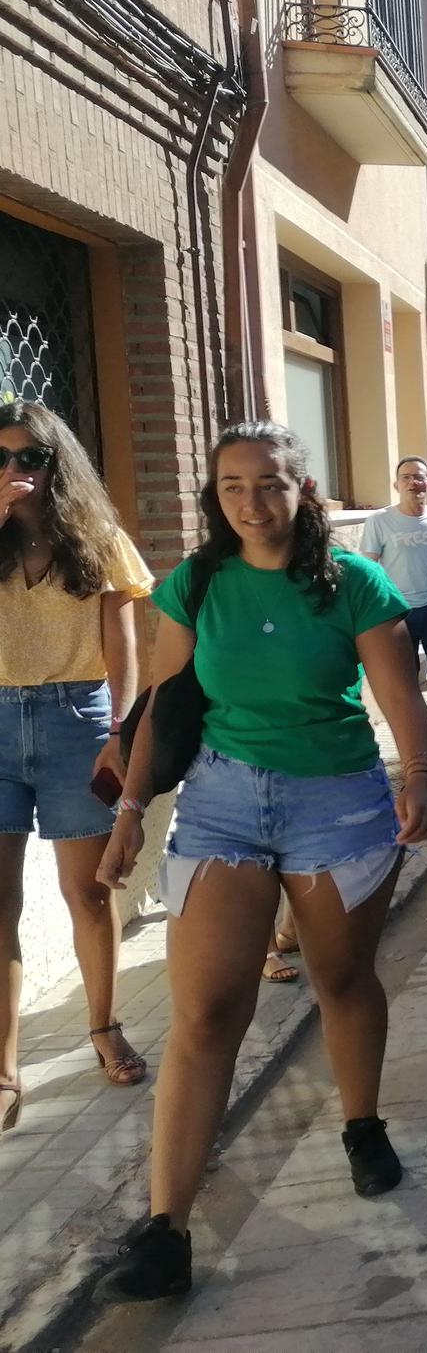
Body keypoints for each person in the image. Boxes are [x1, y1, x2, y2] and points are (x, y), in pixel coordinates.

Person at [95, 421, 427, 1300]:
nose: (252, 502)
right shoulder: (196, 583)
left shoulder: (353, 583)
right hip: (221, 802)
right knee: (207, 1013)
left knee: (341, 978)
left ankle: (361, 1126)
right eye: (234, 486)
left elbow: (398, 696)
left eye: (270, 484)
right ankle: (165, 1230)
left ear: (302, 490)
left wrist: (425, 781)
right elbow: (164, 705)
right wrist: (132, 811)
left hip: (339, 800)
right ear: (216, 496)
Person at [0, 402, 153, 1125]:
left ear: (58, 463)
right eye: (2, 459)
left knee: (87, 892)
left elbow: (123, 643)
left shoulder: (97, 537)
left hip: (76, 721)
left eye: (31, 458)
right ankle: (4, 1063)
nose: (15, 472)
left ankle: (101, 1022)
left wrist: (120, 733)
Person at [358, 456, 427, 681]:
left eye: (419, 477)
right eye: (406, 477)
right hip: (397, 611)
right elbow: (369, 568)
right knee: (404, 681)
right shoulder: (379, 520)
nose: (413, 482)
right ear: (396, 485)